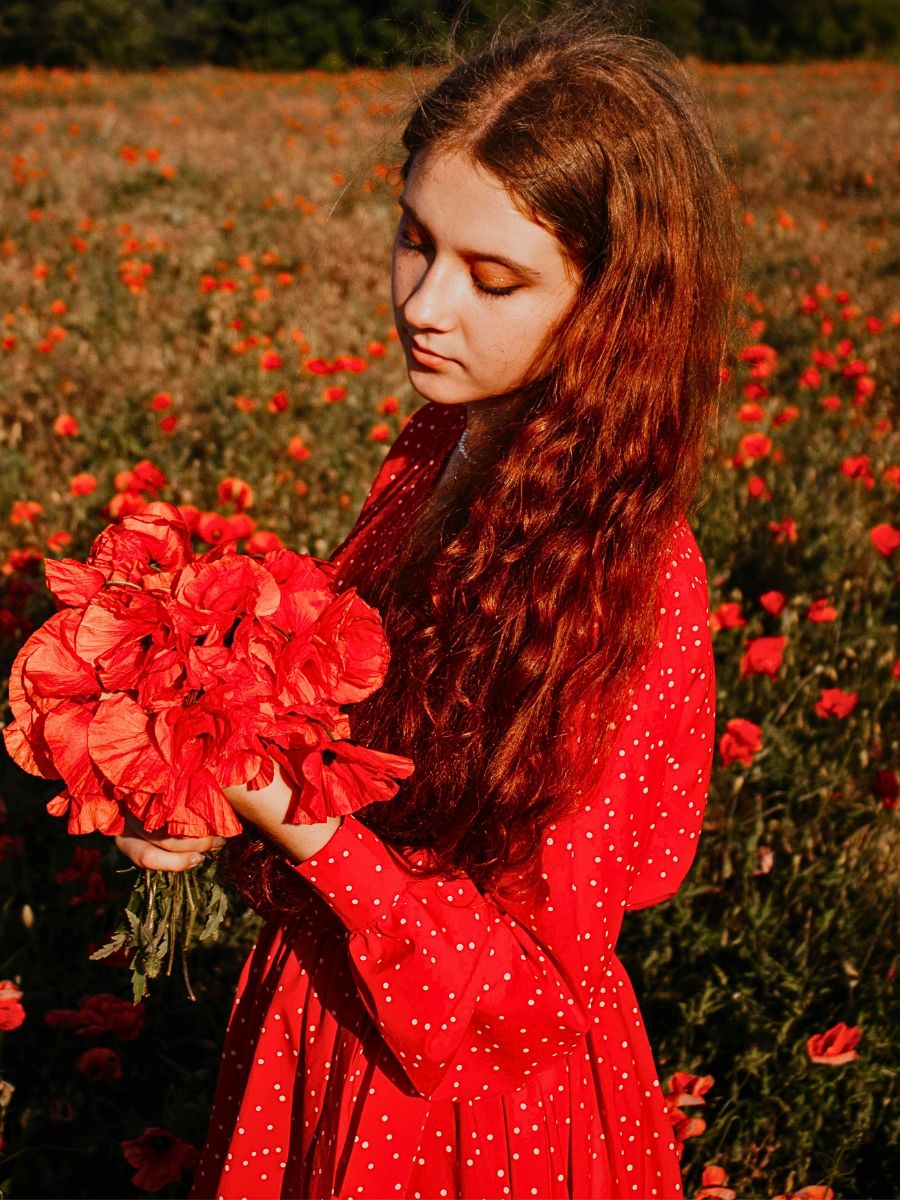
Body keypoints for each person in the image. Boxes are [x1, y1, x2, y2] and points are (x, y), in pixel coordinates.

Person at [115, 14, 737, 1199]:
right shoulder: (437, 446)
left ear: (614, 308)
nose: (425, 304)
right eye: (415, 239)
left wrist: (281, 804)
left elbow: (532, 995)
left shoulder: (634, 576)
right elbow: (371, 754)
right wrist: (205, 794)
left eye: (493, 277)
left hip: (463, 1116)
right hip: (323, 1026)